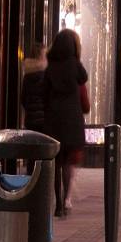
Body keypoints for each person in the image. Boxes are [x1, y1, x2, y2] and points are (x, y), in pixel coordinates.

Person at [44, 29, 89, 217]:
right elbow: (84, 77)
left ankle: (58, 204)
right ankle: (65, 198)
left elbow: (44, 90)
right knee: (67, 164)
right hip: (71, 119)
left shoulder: (50, 66)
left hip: (54, 118)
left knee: (57, 160)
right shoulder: (74, 64)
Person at [20, 41, 49, 133]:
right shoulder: (46, 75)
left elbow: (23, 99)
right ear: (41, 56)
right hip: (45, 120)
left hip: (30, 121)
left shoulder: (27, 76)